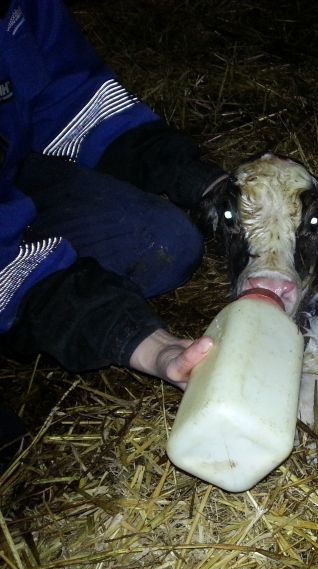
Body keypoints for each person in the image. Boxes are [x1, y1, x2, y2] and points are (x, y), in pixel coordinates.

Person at [0, 0, 226, 457]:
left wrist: (205, 184)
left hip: (12, 168)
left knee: (163, 243)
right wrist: (141, 341)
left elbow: (75, 102)